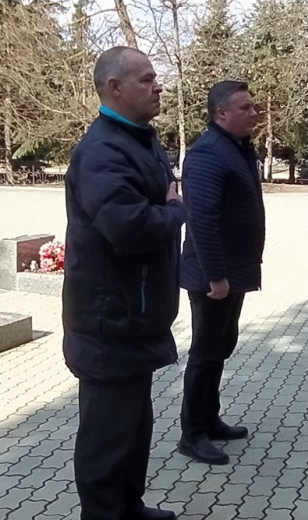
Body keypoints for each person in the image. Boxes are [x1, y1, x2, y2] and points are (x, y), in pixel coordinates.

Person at [63, 47, 185, 520]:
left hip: (135, 317)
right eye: (146, 79)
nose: (158, 86)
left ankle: (129, 507)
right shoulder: (101, 151)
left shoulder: (138, 140)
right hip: (108, 322)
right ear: (114, 88)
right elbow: (129, 228)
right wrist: (175, 210)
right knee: (106, 442)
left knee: (134, 430)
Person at [177, 81, 265, 465]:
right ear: (221, 113)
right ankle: (192, 434)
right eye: (245, 108)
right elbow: (201, 219)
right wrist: (215, 276)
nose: (253, 113)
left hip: (233, 273)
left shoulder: (237, 148)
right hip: (213, 277)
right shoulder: (208, 153)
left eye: (252, 106)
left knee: (221, 347)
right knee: (205, 353)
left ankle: (209, 420)